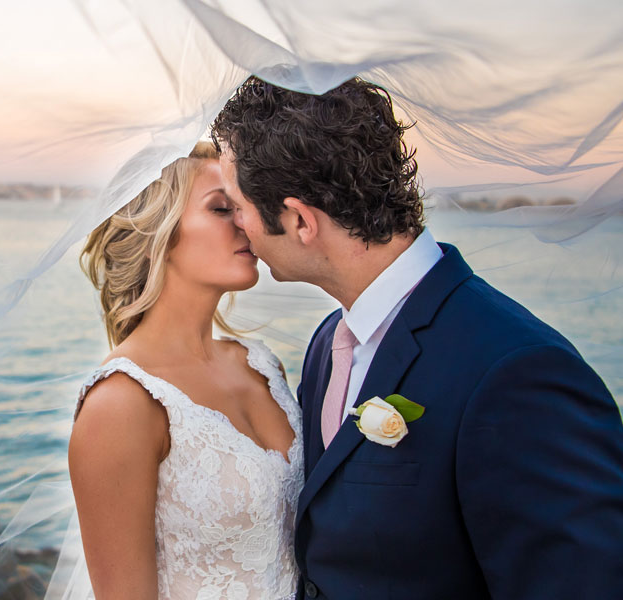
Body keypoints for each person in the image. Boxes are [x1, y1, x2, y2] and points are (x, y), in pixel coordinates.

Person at [211, 76, 623, 599]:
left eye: (237, 205)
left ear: (298, 220)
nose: (237, 226)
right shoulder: (327, 344)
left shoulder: (516, 370)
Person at [69, 141, 304, 599]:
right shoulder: (121, 402)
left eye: (247, 207)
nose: (248, 223)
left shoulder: (261, 365)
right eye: (222, 208)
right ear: (161, 232)